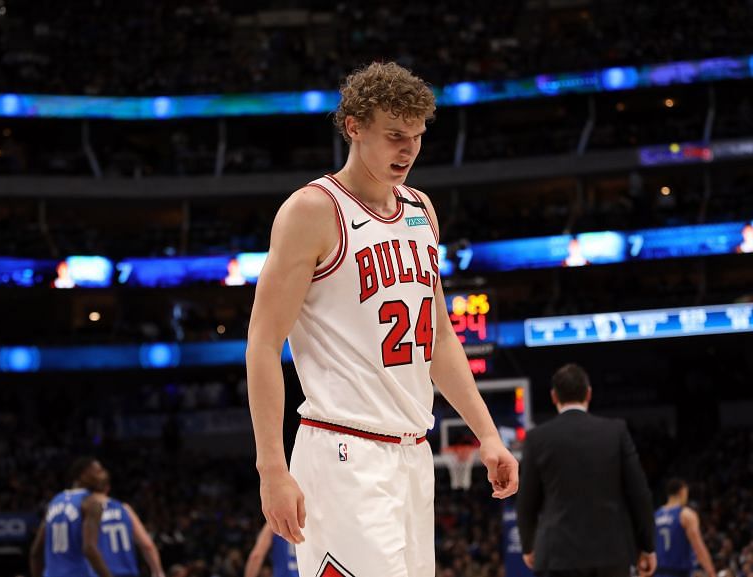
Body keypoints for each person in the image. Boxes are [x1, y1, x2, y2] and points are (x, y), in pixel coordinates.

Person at [246, 60, 519, 577]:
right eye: (395, 135)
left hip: (413, 456)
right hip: (344, 451)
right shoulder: (313, 210)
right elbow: (263, 342)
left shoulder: (421, 209)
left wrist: (487, 435)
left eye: (417, 136)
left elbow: (438, 336)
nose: (408, 150)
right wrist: (272, 469)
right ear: (354, 127)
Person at [516, 363, 657, 577]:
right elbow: (639, 494)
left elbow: (526, 502)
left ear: (554, 397)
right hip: (611, 552)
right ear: (589, 394)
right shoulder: (615, 431)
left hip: (556, 554)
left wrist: (528, 544)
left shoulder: (537, 438)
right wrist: (647, 545)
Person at [29, 456, 113, 577]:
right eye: (98, 472)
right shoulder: (91, 504)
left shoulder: (54, 502)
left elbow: (35, 552)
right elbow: (89, 549)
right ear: (83, 475)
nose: (104, 475)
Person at [96, 472, 166, 577]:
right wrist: (158, 572)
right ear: (107, 488)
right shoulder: (124, 509)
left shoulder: (86, 513)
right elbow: (147, 545)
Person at [654, 478, 716, 577]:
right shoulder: (686, 515)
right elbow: (698, 547)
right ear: (682, 491)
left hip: (658, 572)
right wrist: (711, 572)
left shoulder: (655, 516)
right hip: (679, 572)